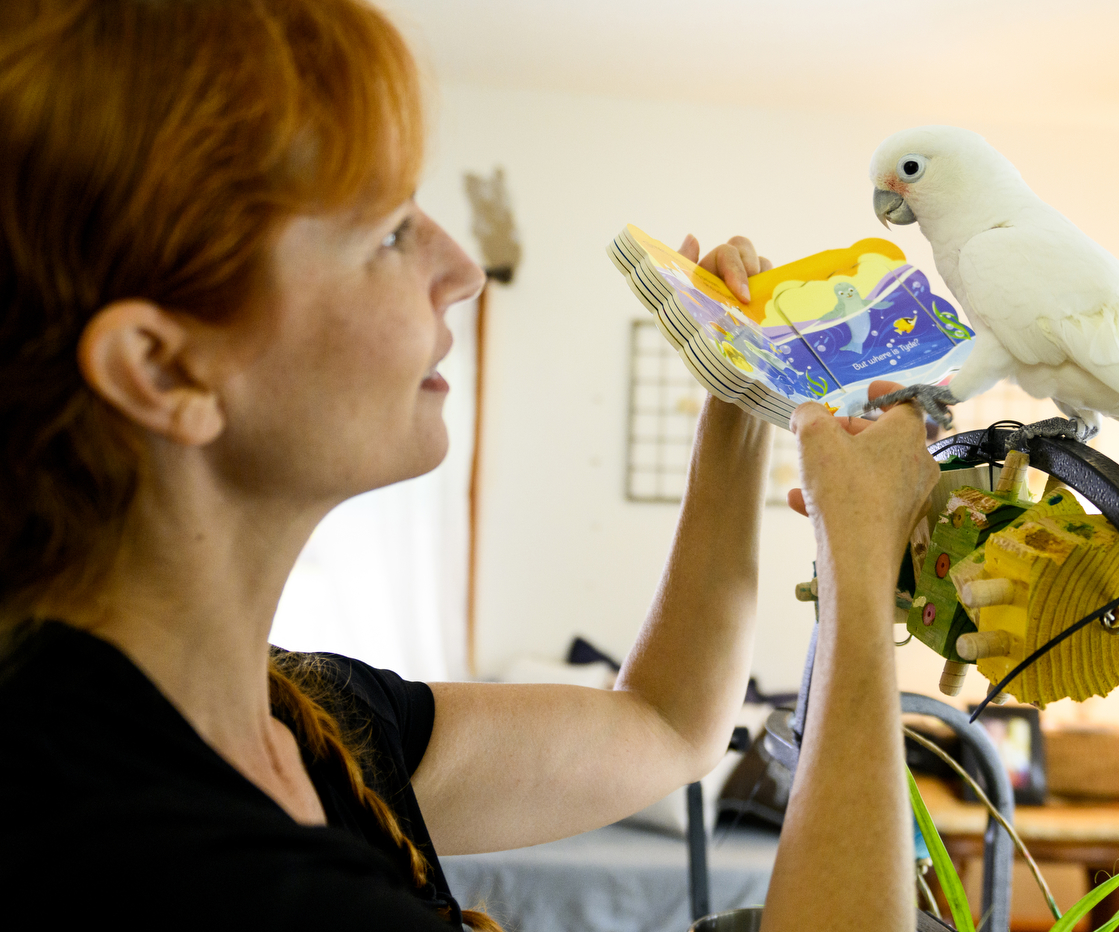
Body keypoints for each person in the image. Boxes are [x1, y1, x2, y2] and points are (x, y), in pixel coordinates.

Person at [0, 1, 940, 929]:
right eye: (387, 232)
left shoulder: (304, 720)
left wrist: (739, 390)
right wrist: (857, 575)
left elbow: (665, 727)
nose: (461, 269)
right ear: (166, 369)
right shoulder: (164, 865)